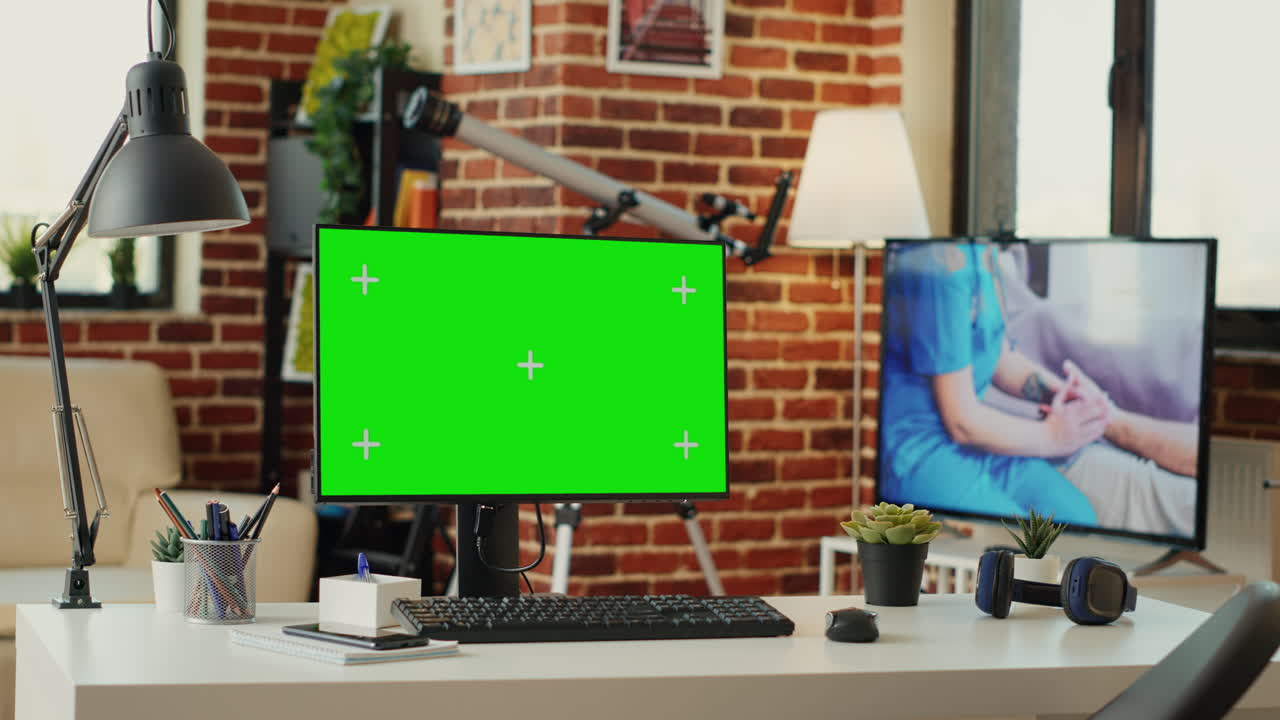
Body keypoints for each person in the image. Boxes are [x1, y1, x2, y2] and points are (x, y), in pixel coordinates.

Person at [879, 241, 1197, 537]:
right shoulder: (941, 264)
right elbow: (962, 422)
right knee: (1028, 541)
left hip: (969, 446)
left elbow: (1000, 356)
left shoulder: (984, 253)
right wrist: (1056, 436)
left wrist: (1065, 395)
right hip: (922, 453)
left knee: (1077, 517)